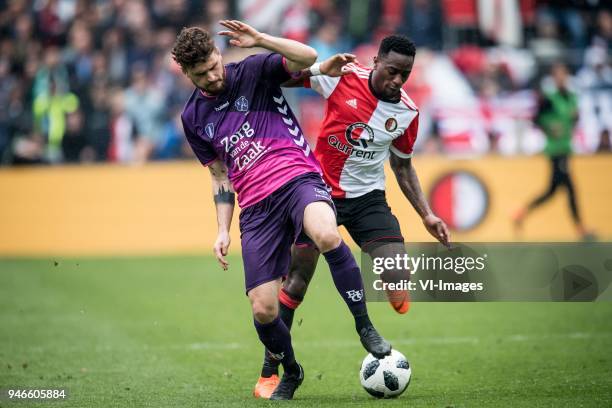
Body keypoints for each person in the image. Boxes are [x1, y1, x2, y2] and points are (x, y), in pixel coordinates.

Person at [172, 20, 391, 400]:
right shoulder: (193, 118)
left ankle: (365, 326)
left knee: (326, 232)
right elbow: (219, 174)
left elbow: (309, 57)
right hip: (255, 209)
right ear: (187, 73)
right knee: (263, 309)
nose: (212, 76)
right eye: (201, 74)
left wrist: (259, 39)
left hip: (296, 178)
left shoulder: (253, 70)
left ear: (218, 53)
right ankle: (291, 370)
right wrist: (222, 229)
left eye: (213, 65)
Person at [253, 35, 451, 398]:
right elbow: (284, 79)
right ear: (376, 61)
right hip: (317, 194)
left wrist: (427, 214)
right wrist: (312, 68)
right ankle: (271, 370)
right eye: (391, 71)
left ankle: (393, 287)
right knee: (295, 282)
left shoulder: (407, 111)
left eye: (404, 74)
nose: (396, 80)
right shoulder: (343, 77)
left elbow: (403, 167)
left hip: (368, 200)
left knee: (396, 276)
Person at [514, 62, 593, 239]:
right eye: (557, 74)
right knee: (570, 189)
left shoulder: (572, 97)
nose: (560, 77)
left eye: (563, 73)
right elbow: (536, 119)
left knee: (552, 191)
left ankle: (521, 212)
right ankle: (581, 230)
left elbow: (573, 120)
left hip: (566, 148)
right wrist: (550, 127)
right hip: (555, 150)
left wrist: (575, 119)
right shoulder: (549, 99)